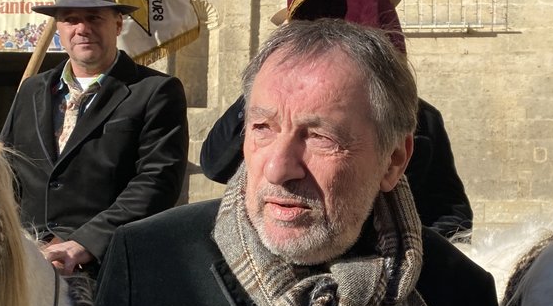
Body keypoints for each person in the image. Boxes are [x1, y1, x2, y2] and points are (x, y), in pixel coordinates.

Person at [36, 19, 520, 306]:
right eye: (263, 128)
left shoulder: (457, 294)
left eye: (320, 136)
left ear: (394, 160)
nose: (278, 167)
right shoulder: (151, 264)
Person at [0, 0, 188, 275]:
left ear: (118, 24)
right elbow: (7, 171)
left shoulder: (155, 91)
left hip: (106, 267)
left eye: (94, 18)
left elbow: (156, 182)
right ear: (58, 28)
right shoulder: (31, 90)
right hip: (25, 265)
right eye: (71, 19)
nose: (82, 28)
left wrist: (83, 243)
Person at [200, 94, 474, 238]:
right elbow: (215, 164)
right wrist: (260, 89)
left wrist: (407, 253)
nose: (279, 169)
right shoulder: (266, 99)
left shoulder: (419, 116)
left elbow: (450, 212)